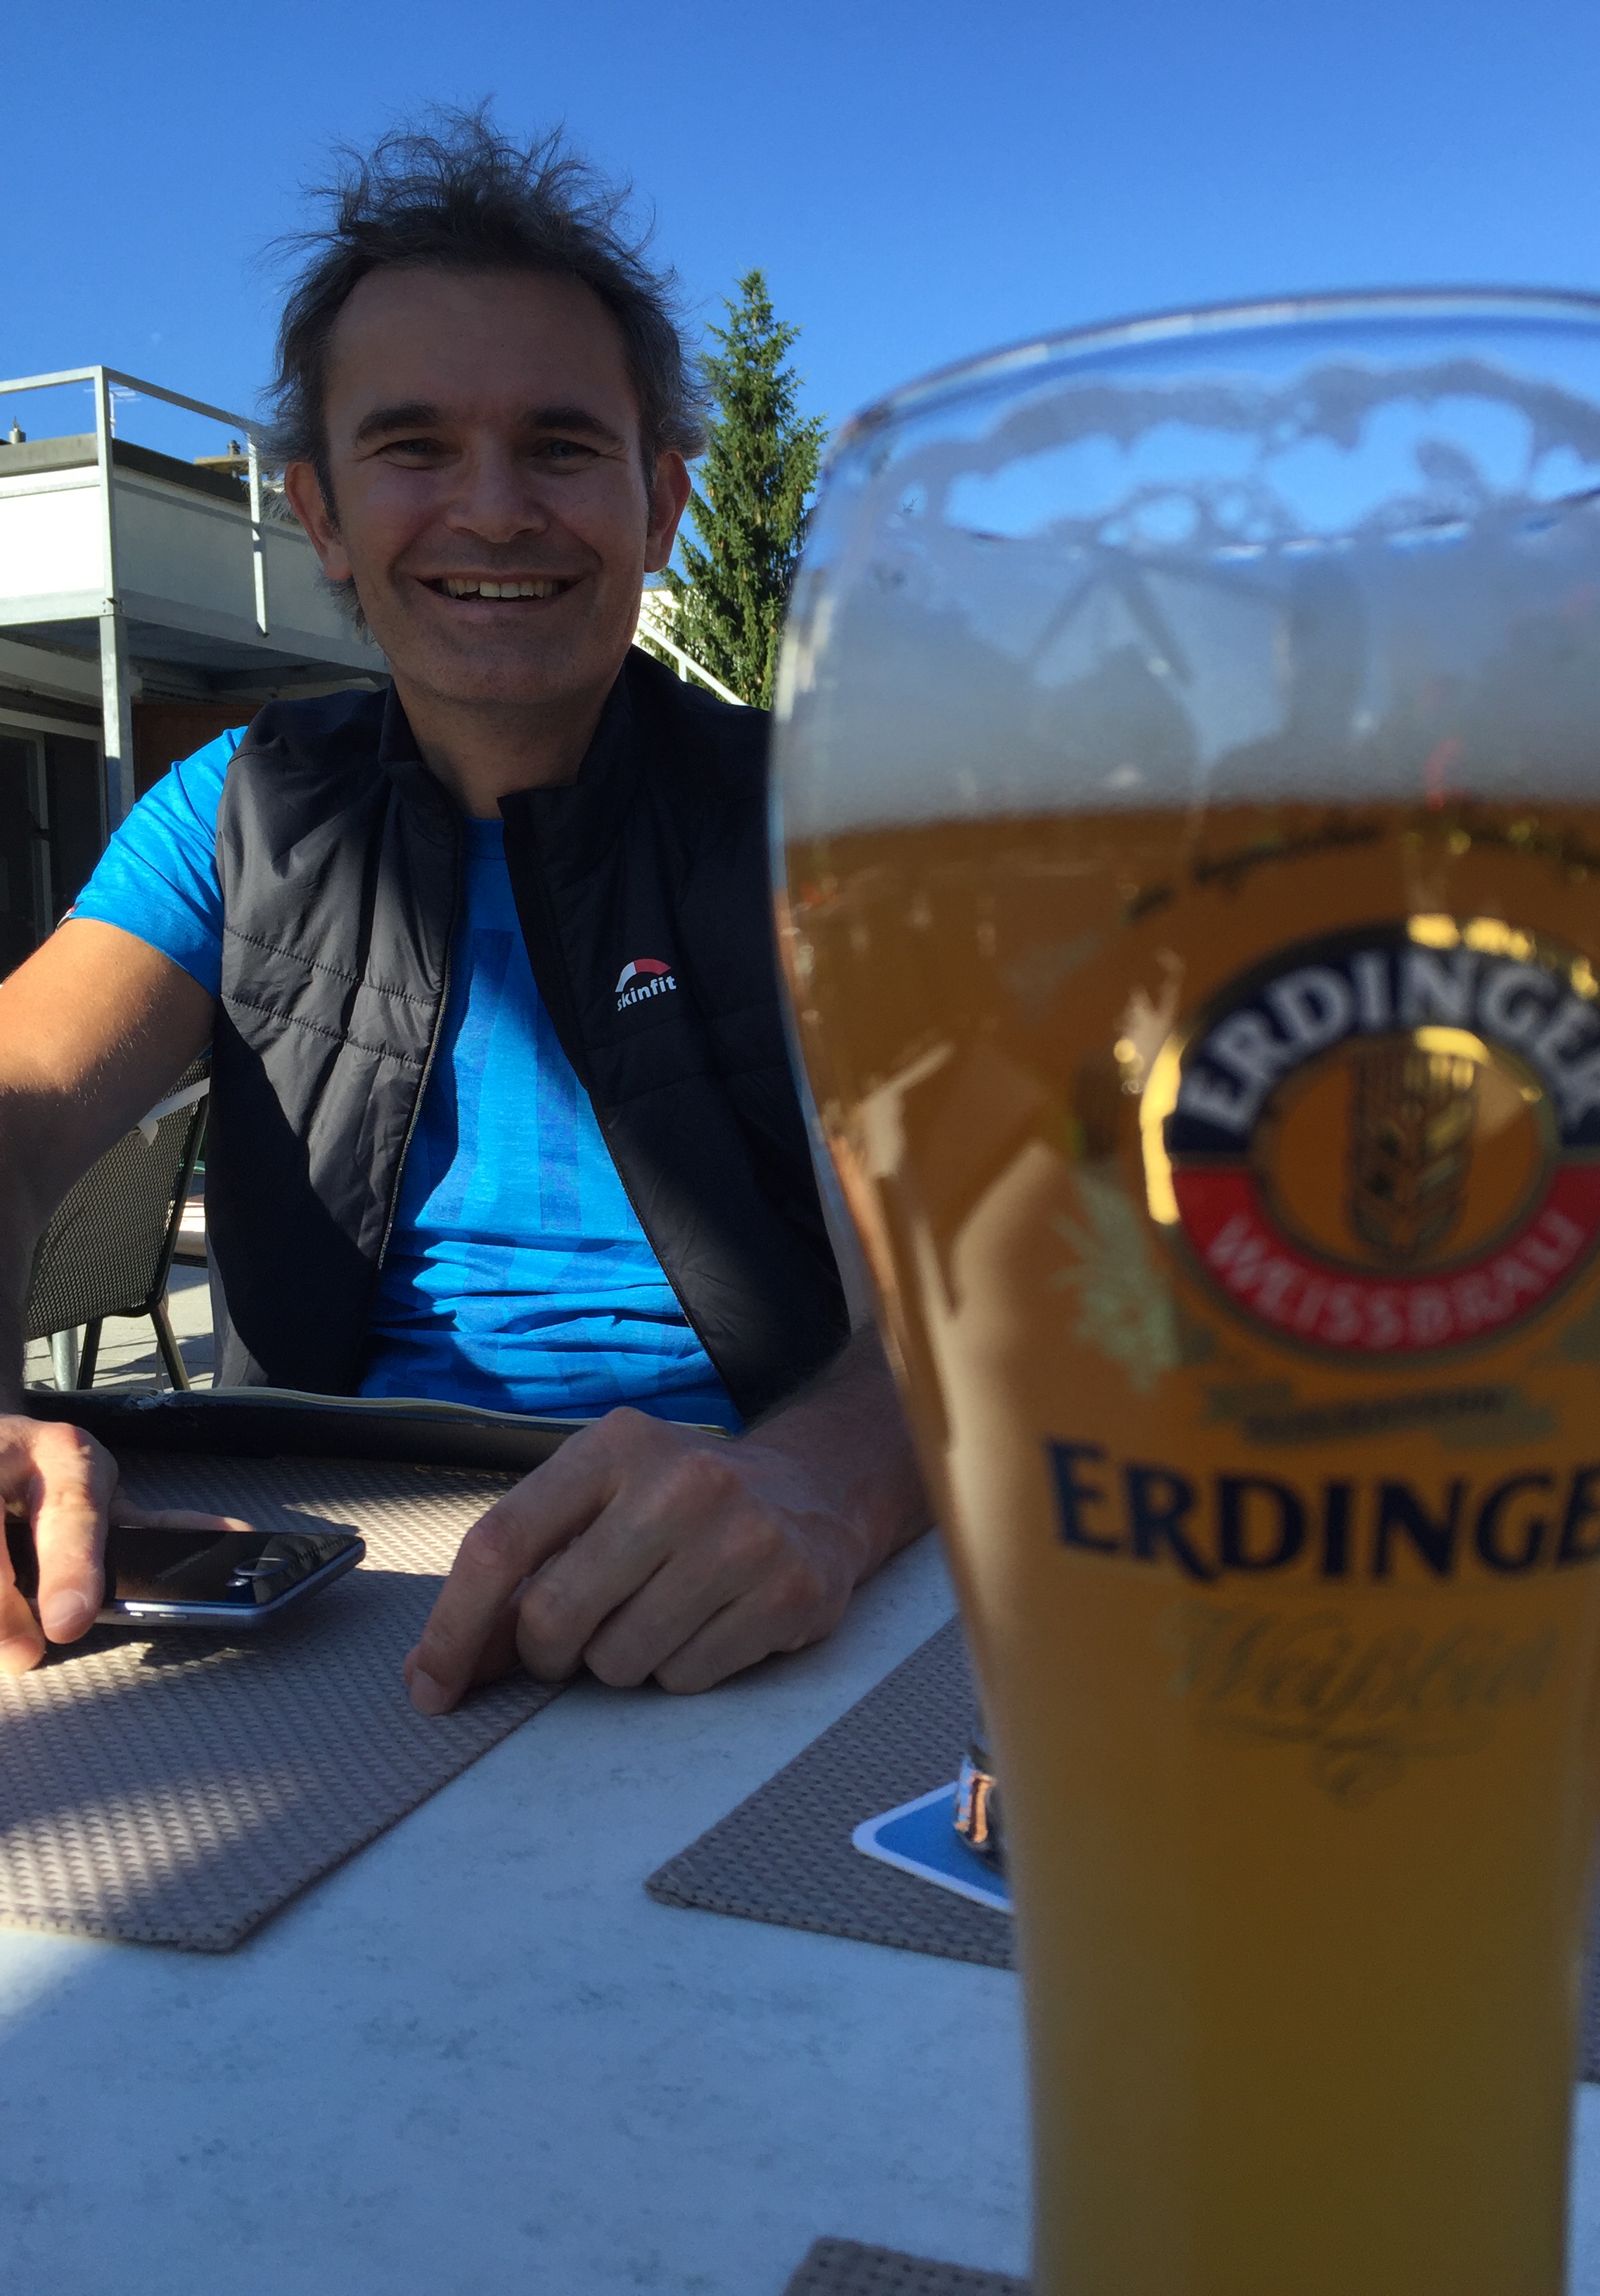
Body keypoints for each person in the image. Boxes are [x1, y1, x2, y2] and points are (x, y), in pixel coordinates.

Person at [0, 115, 929, 1700]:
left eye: (561, 446)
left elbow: (1026, 1255)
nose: (493, 511)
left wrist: (827, 1482)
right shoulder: (231, 813)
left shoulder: (828, 824)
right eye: (414, 448)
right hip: (326, 1583)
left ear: (661, 506)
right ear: (318, 513)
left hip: (760, 1563)